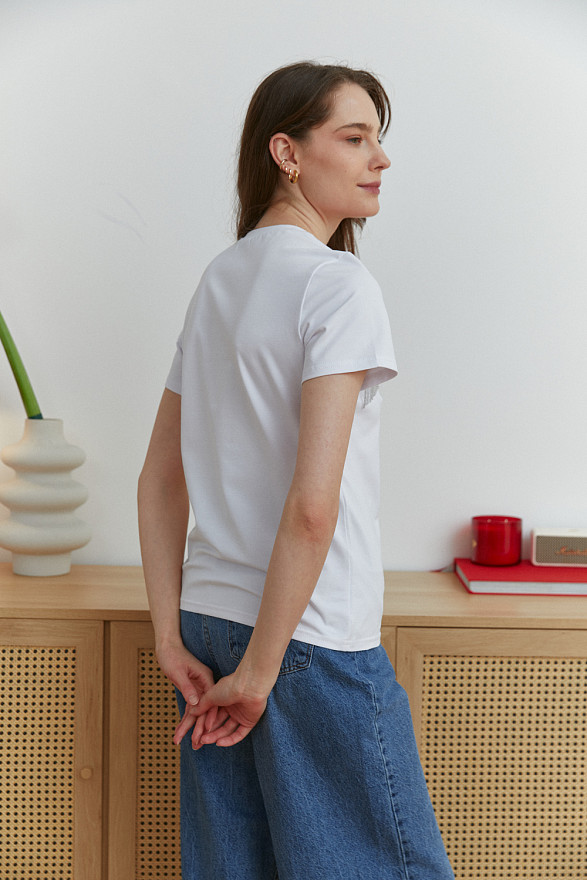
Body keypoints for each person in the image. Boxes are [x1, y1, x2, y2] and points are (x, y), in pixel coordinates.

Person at [138, 61, 454, 880]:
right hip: (307, 637)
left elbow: (159, 479)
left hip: (212, 622)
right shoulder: (336, 284)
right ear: (286, 152)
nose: (378, 159)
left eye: (377, 140)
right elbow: (313, 507)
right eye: (353, 138)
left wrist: (170, 635)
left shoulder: (221, 278)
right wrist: (264, 672)